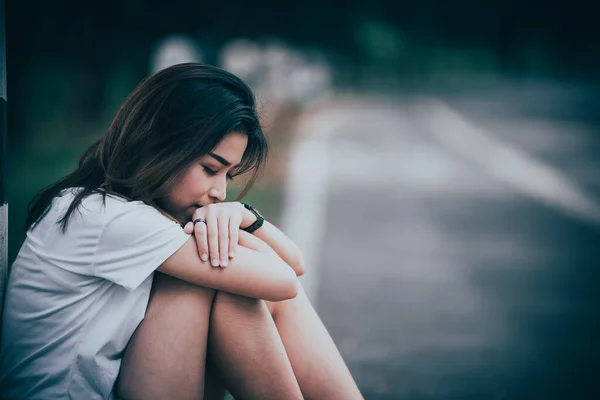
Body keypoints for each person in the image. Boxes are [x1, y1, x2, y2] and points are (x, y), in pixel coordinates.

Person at [0, 63, 363, 399]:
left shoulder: (134, 215)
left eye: (228, 176)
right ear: (162, 144)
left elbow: (291, 269)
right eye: (210, 169)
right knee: (224, 282)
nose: (220, 192)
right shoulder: (104, 216)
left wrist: (243, 215)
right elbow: (283, 280)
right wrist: (234, 222)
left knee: (221, 273)